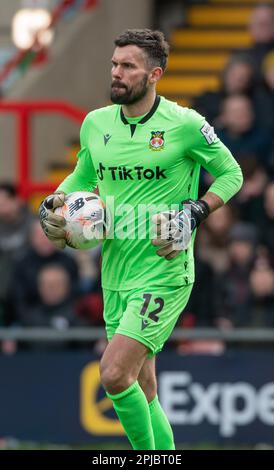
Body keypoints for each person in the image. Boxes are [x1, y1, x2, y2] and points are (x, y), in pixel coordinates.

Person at [38, 29, 243, 450]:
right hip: (115, 273)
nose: (116, 73)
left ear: (155, 74)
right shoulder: (96, 124)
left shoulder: (186, 124)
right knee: (143, 387)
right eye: (114, 64)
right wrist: (54, 202)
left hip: (164, 271)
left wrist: (196, 211)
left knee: (113, 374)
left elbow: (231, 174)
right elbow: (81, 177)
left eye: (127, 66)